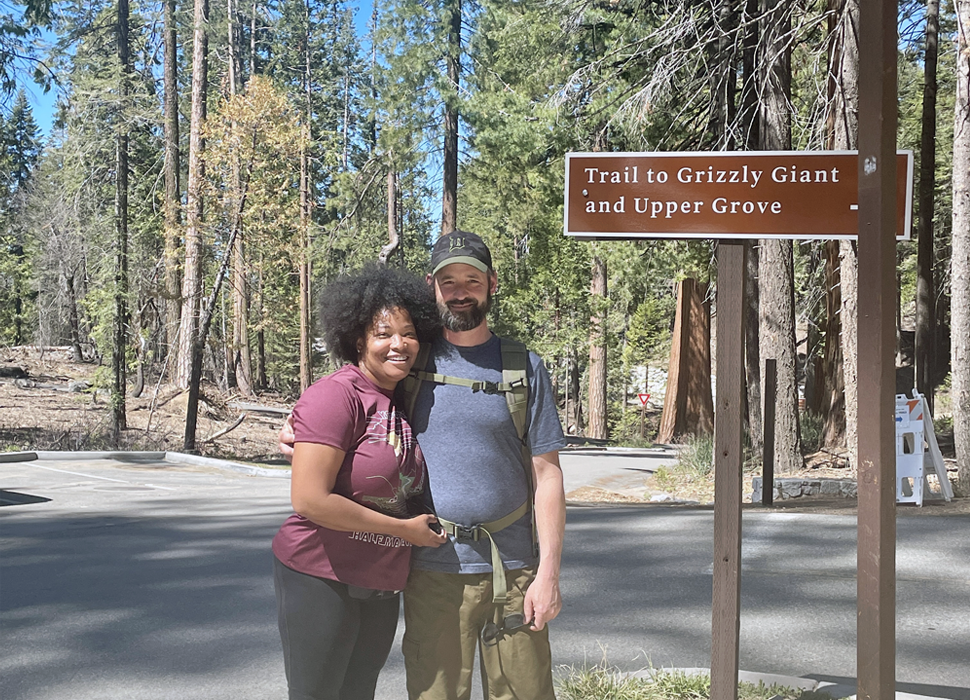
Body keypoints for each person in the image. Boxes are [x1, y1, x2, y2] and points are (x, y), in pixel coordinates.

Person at [281, 231, 567, 700]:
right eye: (447, 279)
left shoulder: (523, 366)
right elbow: (352, 401)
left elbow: (547, 474)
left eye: (471, 279)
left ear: (492, 283)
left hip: (515, 570)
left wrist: (548, 574)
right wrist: (303, 427)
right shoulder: (409, 358)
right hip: (430, 570)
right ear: (431, 286)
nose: (459, 290)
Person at [271, 263, 448, 700]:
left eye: (408, 333)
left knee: (358, 692)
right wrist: (404, 531)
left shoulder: (402, 397)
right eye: (384, 333)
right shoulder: (337, 395)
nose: (399, 344)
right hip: (320, 575)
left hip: (381, 581)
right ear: (357, 340)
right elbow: (309, 500)